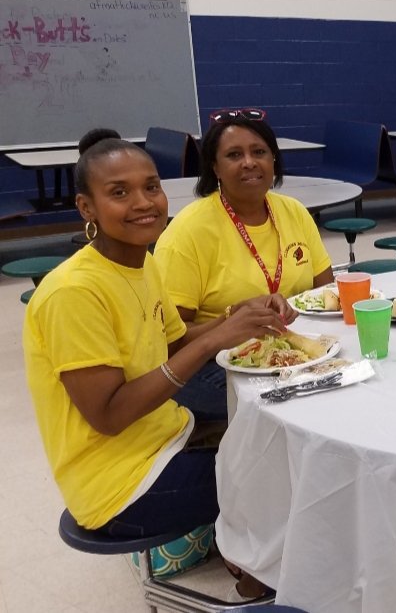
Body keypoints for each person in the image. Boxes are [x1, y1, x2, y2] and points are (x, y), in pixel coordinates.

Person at [23, 131, 284, 600]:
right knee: (280, 478)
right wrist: (214, 343)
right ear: (87, 208)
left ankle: (247, 554)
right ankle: (260, 587)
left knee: (275, 442)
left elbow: (175, 340)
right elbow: (109, 415)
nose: (144, 203)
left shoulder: (142, 263)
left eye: (151, 186)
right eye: (119, 192)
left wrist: (237, 318)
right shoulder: (73, 293)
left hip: (166, 437)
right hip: (119, 487)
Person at [155, 108, 331, 419]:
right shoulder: (188, 233)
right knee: (285, 409)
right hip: (214, 364)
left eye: (259, 152)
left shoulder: (294, 212)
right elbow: (169, 343)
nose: (249, 162)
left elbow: (326, 294)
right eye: (234, 154)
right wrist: (229, 322)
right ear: (215, 167)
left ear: (273, 159)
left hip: (295, 352)